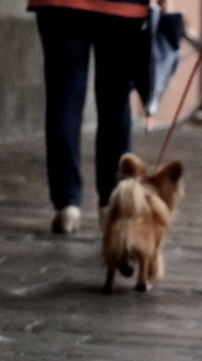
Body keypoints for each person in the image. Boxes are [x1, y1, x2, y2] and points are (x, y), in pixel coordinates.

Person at [28, 0, 154, 234]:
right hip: (123, 8)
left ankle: (67, 205)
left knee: (63, 98)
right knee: (115, 103)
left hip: (61, 5)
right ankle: (110, 203)